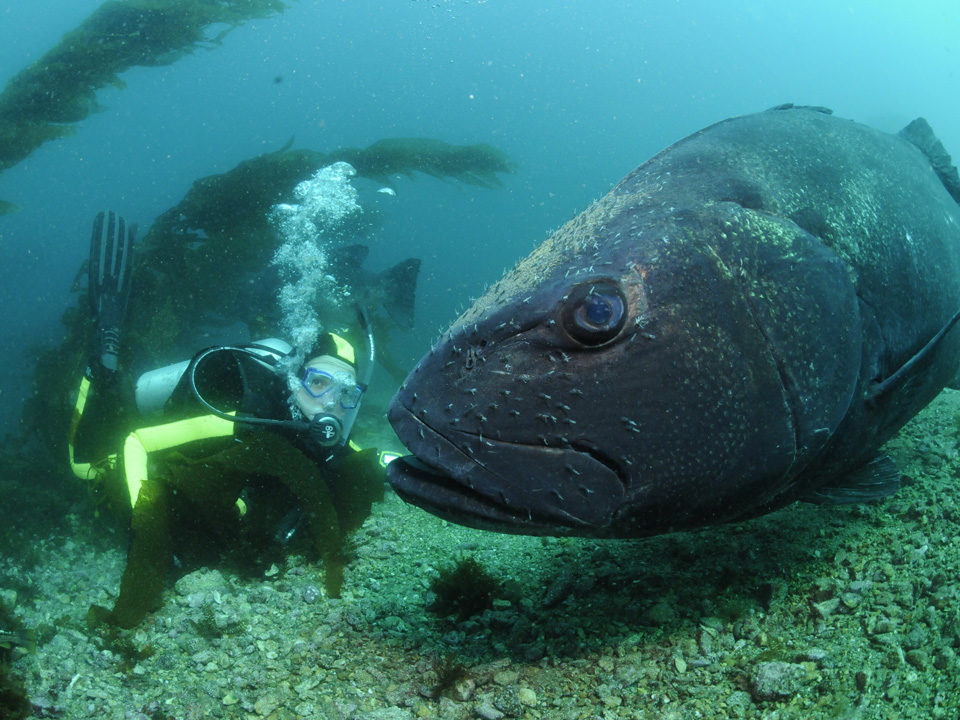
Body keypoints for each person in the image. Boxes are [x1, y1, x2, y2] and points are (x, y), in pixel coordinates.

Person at [67, 210, 387, 628]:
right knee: (85, 467)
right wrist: (147, 531)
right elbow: (138, 443)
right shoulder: (243, 418)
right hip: (175, 445)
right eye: (319, 382)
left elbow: (382, 462)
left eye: (347, 392)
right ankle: (104, 362)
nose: (332, 403)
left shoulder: (335, 443)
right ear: (293, 381)